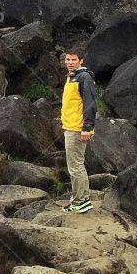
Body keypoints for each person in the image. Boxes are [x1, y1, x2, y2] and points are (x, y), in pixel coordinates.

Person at [60, 49, 95, 213]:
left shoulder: (83, 77)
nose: (70, 62)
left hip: (77, 128)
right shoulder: (71, 77)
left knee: (75, 167)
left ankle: (80, 201)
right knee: (76, 165)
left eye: (73, 59)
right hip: (70, 126)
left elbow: (90, 103)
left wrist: (87, 128)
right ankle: (82, 199)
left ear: (80, 61)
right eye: (67, 59)